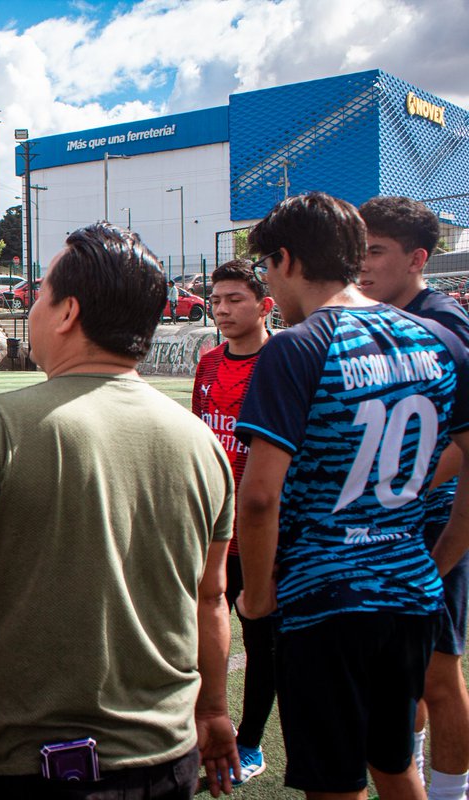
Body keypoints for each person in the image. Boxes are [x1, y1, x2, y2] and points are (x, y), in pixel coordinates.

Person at [0, 224, 239, 798]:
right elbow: (211, 599)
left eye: (42, 292)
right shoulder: (201, 441)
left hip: (35, 762)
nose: (30, 306)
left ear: (67, 312)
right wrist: (214, 708)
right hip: (168, 756)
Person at [235, 192, 469, 800]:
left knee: (336, 783)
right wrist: (440, 553)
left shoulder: (297, 345)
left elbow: (260, 498)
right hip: (411, 589)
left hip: (325, 599)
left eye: (265, 267)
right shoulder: (438, 340)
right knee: (396, 765)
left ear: (285, 260)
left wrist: (258, 601)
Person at [359, 195, 469, 800]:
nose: (362, 266)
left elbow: (465, 439)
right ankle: (418, 774)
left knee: (438, 672)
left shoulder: (444, 323)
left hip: (432, 523)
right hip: (393, 526)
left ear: (418, 258)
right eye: (358, 252)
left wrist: (408, 484)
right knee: (403, 672)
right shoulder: (380, 320)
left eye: (375, 252)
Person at [191, 258, 277, 786]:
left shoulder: (283, 362)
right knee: (201, 629)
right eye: (217, 300)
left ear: (265, 305)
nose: (222, 309)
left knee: (261, 638)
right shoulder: (208, 362)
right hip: (210, 527)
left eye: (235, 300)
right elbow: (201, 437)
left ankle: (250, 740)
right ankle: (203, 725)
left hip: (264, 531)